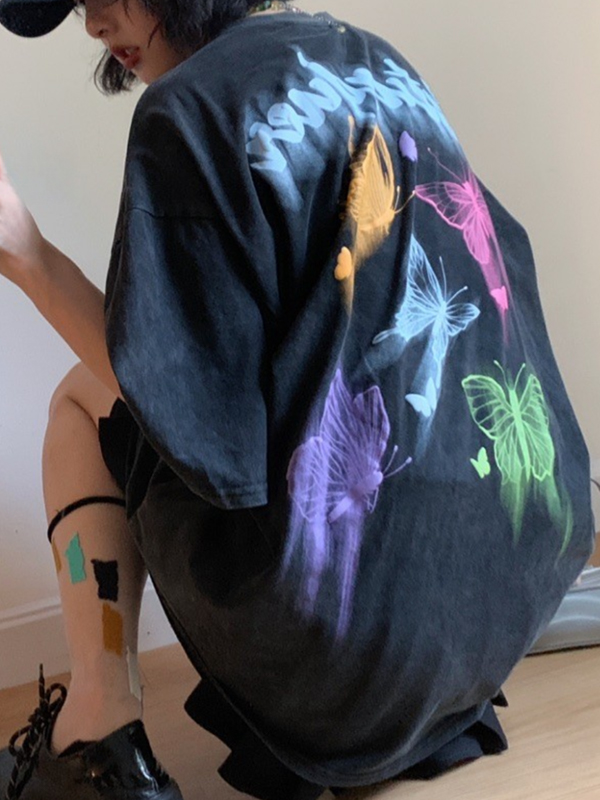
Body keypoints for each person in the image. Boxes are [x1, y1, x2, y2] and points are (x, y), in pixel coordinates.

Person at [0, 0, 595, 798]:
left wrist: (27, 255)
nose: (93, 23)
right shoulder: (372, 60)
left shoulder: (188, 110)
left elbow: (193, 418)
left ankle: (96, 737)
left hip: (346, 649)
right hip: (500, 606)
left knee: (81, 402)